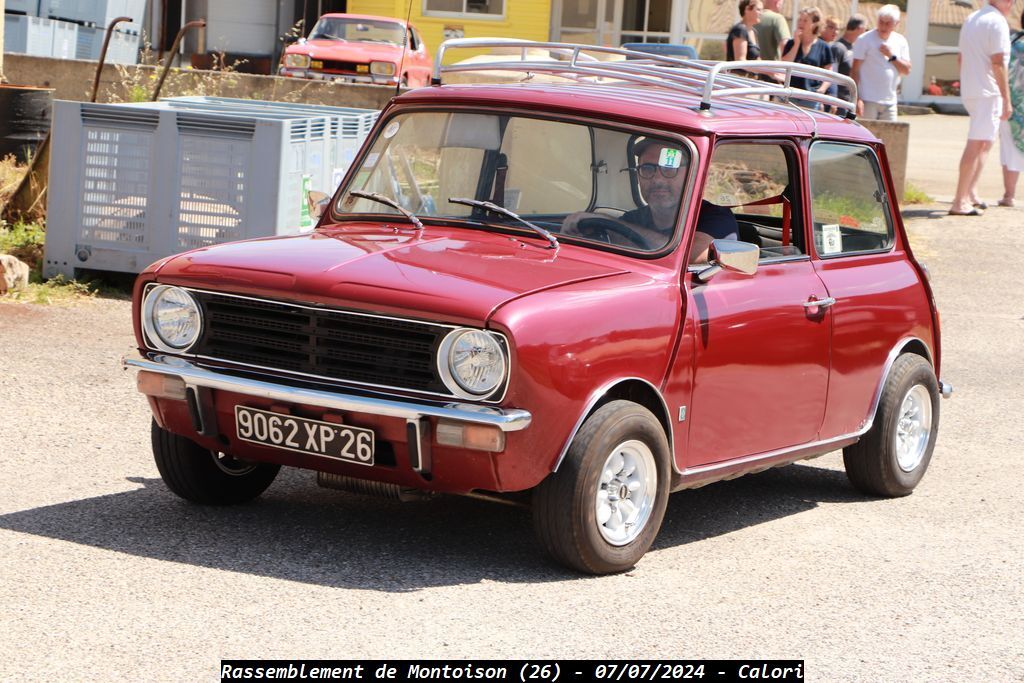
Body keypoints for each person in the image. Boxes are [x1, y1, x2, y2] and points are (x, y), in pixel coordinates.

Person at [563, 139, 737, 261]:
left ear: (690, 174)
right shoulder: (633, 220)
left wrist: (609, 222)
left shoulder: (715, 217)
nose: (657, 179)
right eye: (647, 168)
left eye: (669, 169)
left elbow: (692, 256)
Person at [951, 0, 1014, 216]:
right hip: (987, 91)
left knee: (985, 143)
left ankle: (969, 193)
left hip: (975, 89)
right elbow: (998, 62)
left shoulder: (972, 18)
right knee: (977, 144)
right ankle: (960, 200)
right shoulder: (997, 22)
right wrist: (1006, 98)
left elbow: (961, 58)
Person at [850, 5, 911, 121]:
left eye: (887, 23)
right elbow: (854, 71)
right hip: (867, 100)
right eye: (881, 22)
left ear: (896, 23)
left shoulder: (901, 41)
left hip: (890, 101)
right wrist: (857, 99)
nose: (883, 26)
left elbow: (906, 70)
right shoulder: (864, 39)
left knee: (890, 138)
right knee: (867, 138)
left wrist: (891, 56)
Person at [780, 7, 836, 109]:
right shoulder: (791, 43)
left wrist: (822, 89)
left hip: (811, 98)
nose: (801, 23)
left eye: (805, 20)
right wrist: (797, 44)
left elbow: (829, 72)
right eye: (799, 20)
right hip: (789, 94)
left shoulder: (824, 47)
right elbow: (784, 65)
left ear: (815, 24)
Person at [998, 10, 1024, 207]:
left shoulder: (1011, 40)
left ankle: (1009, 194)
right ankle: (1009, 195)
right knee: (1013, 149)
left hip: (1007, 101)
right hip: (1017, 104)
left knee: (1009, 148)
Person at [833, 14, 867, 104]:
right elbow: (832, 74)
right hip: (838, 101)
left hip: (848, 100)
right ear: (859, 29)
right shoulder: (838, 47)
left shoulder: (855, 47)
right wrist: (833, 98)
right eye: (865, 29)